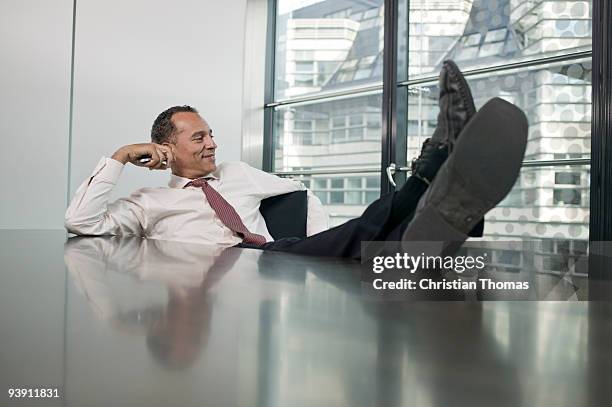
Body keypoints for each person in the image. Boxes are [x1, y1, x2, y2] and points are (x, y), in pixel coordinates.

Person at [65, 61, 528, 260]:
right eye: (200, 137)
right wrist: (121, 157)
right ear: (166, 150)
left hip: (271, 258)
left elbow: (299, 192)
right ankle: (437, 173)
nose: (212, 144)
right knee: (364, 238)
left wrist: (319, 236)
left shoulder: (237, 174)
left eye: (212, 134)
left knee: (366, 240)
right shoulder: (147, 204)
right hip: (233, 268)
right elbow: (80, 221)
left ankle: (440, 191)